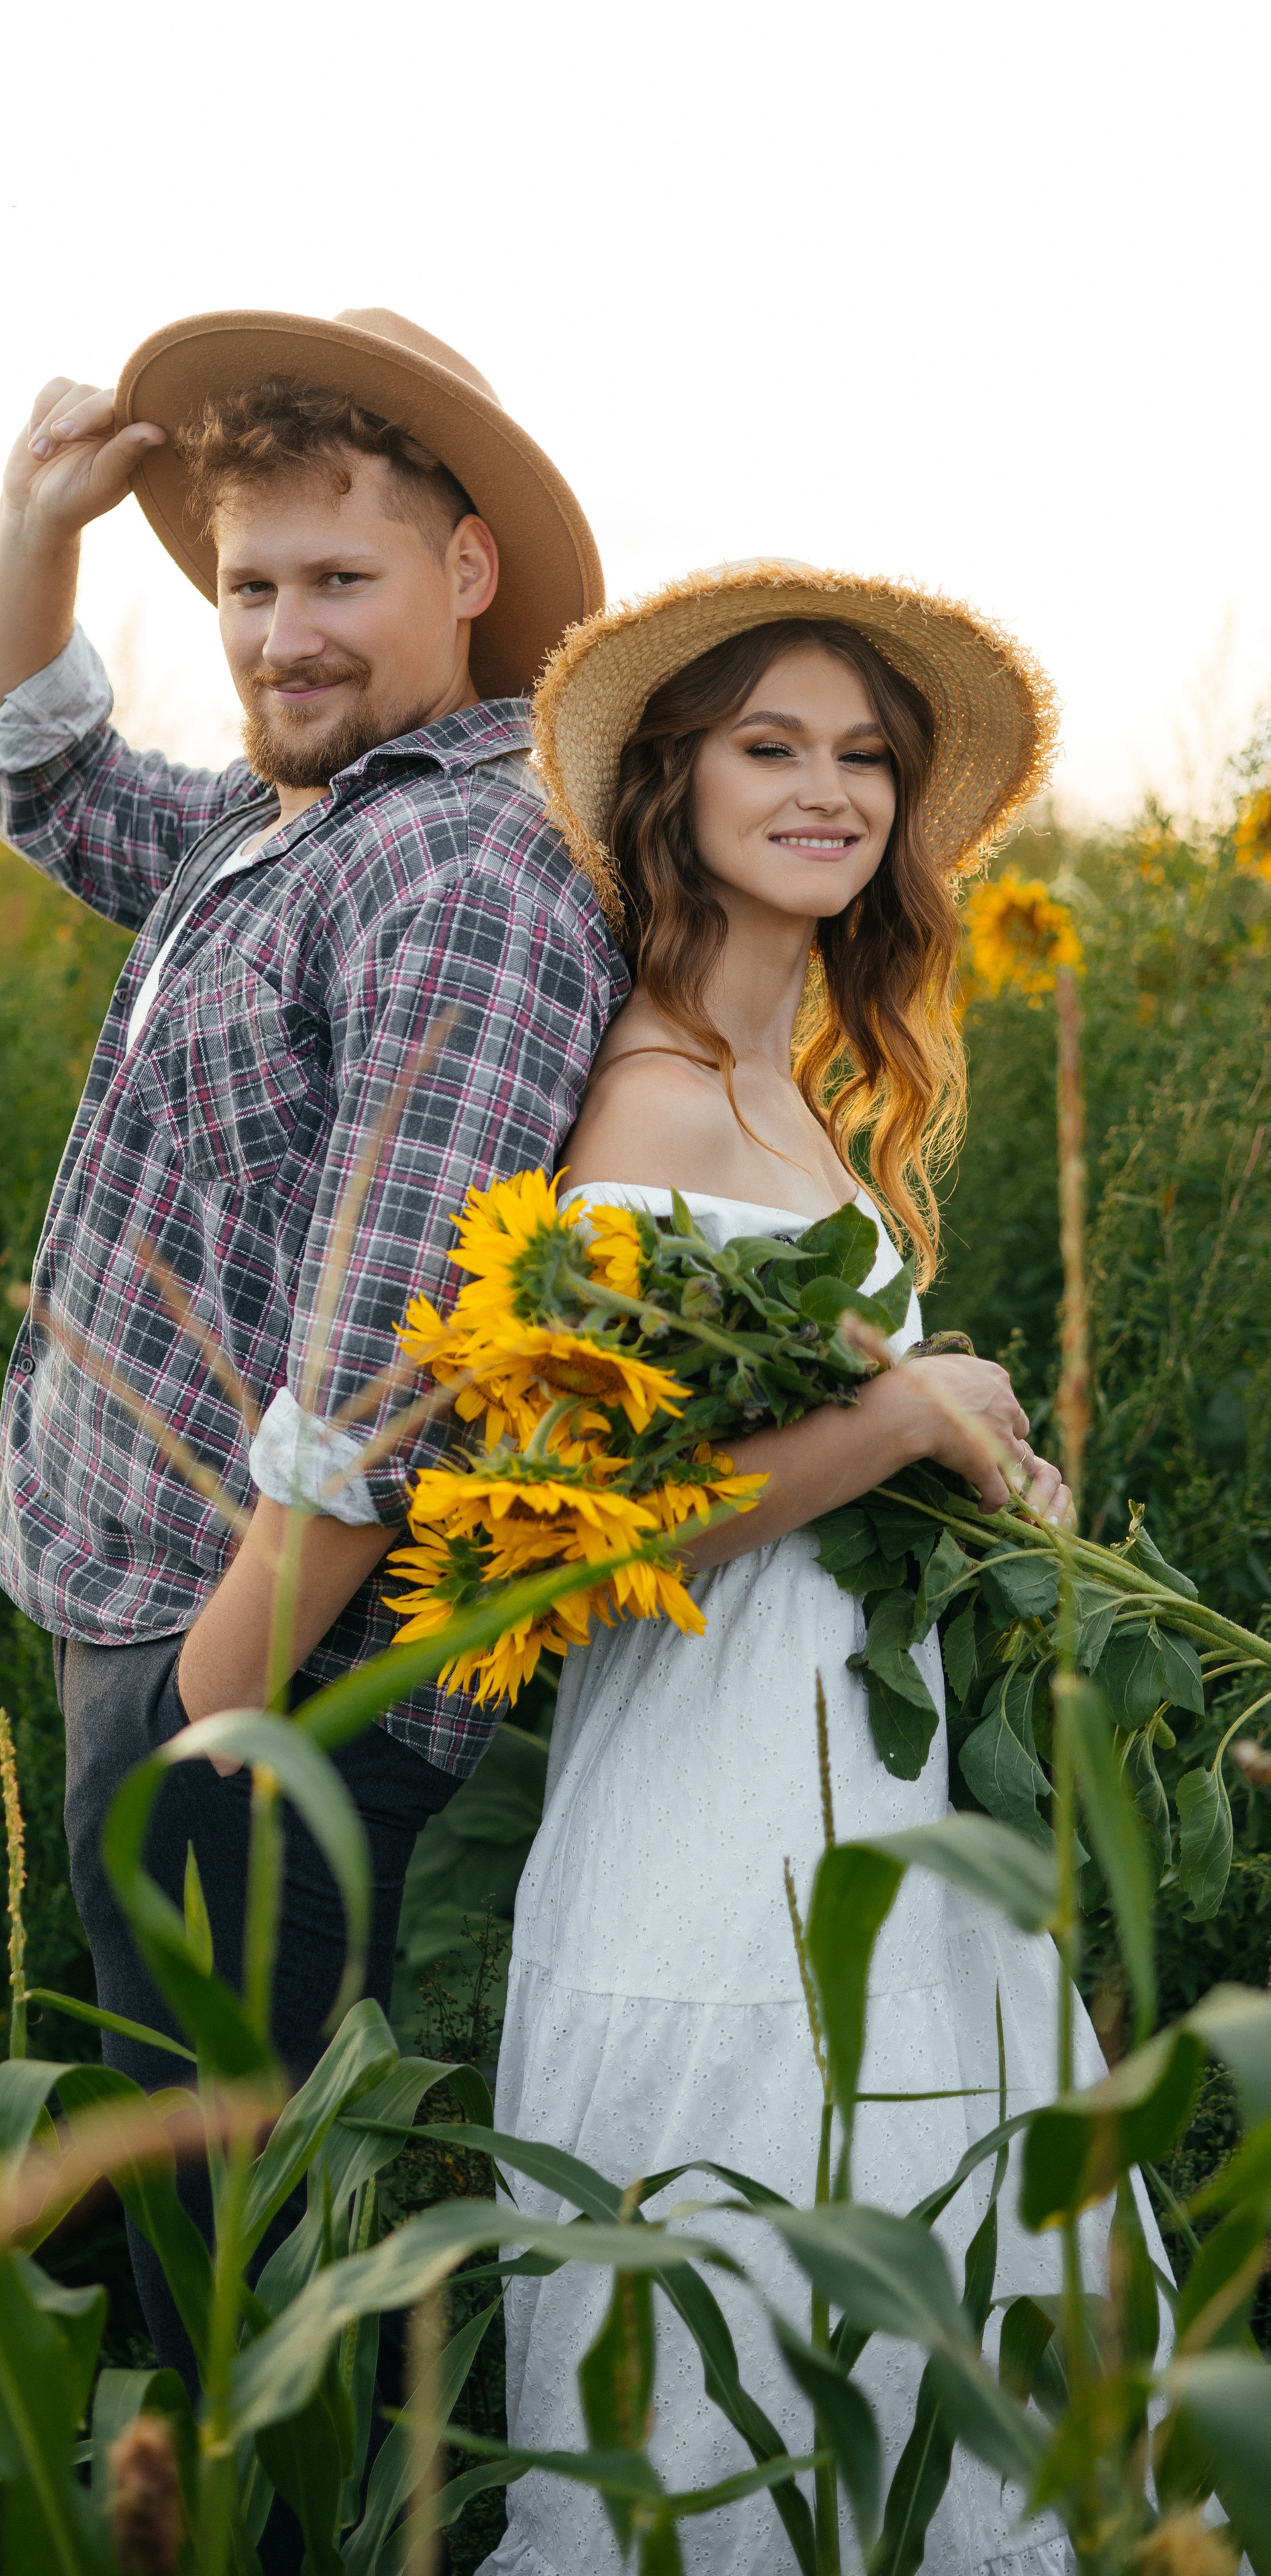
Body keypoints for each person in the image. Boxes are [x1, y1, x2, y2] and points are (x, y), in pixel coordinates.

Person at [0, 307, 627, 2396]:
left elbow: (399, 1340)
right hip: (156, 1601)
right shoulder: (298, 822)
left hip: (265, 1664)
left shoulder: (468, 859)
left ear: (469, 570)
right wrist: (36, 525)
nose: (283, 635)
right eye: (249, 588)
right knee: (200, 2225)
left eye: (340, 579)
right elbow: (46, 778)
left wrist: (216, 1705)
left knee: (270, 2291)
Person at [477, 561, 1146, 2576]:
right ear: (674, 785)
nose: (829, 790)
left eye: (864, 757)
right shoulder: (648, 1107)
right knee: (753, 2293)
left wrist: (975, 1471)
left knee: (947, 2274)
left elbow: (838, 1452)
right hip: (717, 1799)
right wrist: (905, 1416)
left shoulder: (787, 1095)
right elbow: (587, 1538)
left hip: (877, 1772)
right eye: (771, 747)